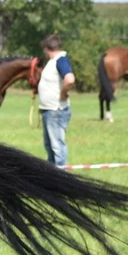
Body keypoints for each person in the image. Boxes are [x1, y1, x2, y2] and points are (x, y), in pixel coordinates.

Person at [37, 34, 75, 169]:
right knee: (50, 146)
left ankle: (62, 175)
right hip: (49, 110)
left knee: (57, 146)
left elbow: (69, 79)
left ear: (47, 48)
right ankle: (53, 174)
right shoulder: (54, 61)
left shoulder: (61, 60)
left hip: (55, 110)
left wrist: (63, 94)